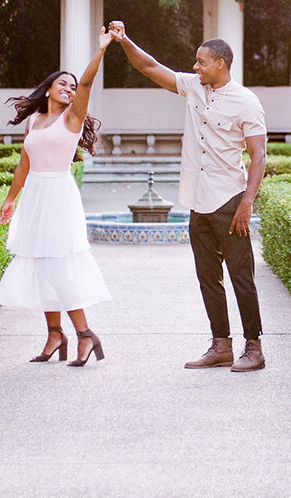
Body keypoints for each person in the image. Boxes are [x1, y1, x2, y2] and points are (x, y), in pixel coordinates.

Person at [108, 21, 268, 372]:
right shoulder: (194, 88)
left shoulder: (246, 102)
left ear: (221, 64)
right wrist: (124, 40)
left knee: (241, 277)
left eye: (202, 62)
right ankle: (221, 345)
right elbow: (149, 67)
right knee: (207, 277)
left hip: (230, 199)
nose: (195, 67)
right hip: (198, 200)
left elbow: (259, 156)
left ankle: (254, 348)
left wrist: (246, 204)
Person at [0, 26, 113, 367]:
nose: (70, 88)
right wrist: (10, 198)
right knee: (44, 266)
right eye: (63, 83)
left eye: (73, 87)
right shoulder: (33, 122)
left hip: (60, 194)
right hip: (35, 197)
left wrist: (101, 48)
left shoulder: (72, 119)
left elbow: (87, 84)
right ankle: (54, 334)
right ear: (48, 89)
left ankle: (86, 335)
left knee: (59, 265)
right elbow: (23, 165)